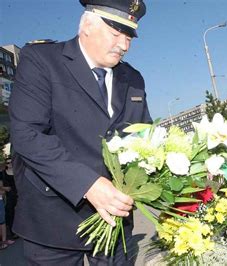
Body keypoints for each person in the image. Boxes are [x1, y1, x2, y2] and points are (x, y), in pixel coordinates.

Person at [9, 0, 151, 264]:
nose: (124, 45)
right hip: (52, 222)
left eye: (129, 36)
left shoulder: (134, 79)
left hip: (114, 223)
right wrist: (87, 184)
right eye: (116, 33)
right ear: (87, 25)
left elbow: (143, 139)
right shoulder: (42, 61)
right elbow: (27, 134)